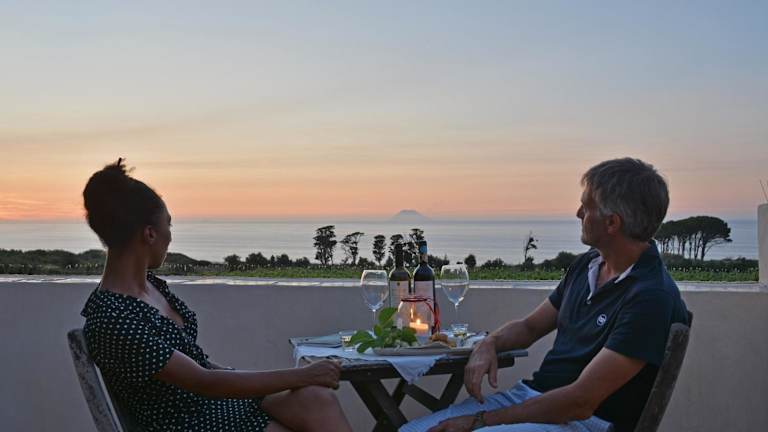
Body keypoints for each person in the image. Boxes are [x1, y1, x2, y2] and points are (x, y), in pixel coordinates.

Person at [401, 158, 689, 432]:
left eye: (586, 207)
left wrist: (479, 421)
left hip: (584, 422)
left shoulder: (650, 297)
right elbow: (529, 327)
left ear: (612, 223)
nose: (578, 214)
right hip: (534, 400)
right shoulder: (587, 266)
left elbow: (581, 402)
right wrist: (490, 343)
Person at [79, 159, 353, 432]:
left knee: (317, 399)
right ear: (150, 234)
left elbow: (203, 367)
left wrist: (301, 379)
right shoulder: (113, 318)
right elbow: (204, 381)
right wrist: (302, 375)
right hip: (188, 422)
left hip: (213, 406)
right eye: (168, 225)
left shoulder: (150, 288)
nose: (170, 236)